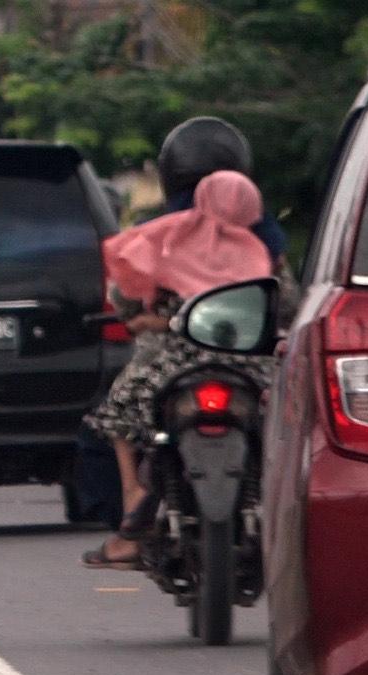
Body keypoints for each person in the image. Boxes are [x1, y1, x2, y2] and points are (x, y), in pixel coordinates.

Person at [81, 170, 275, 569]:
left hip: (177, 362)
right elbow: (284, 303)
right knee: (285, 419)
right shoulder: (262, 249)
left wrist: (145, 319)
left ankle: (134, 494)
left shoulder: (169, 236)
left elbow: (125, 293)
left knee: (118, 413)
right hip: (250, 363)